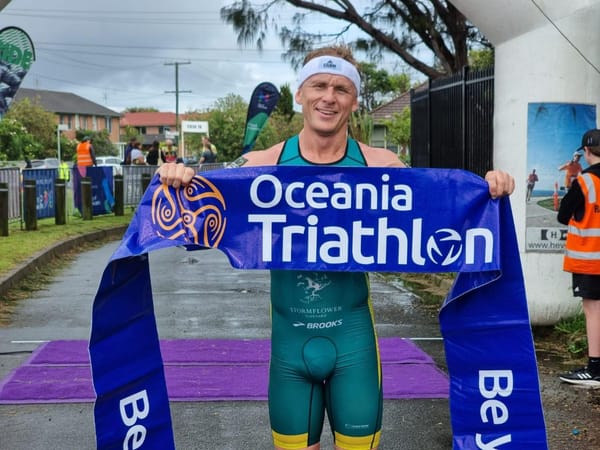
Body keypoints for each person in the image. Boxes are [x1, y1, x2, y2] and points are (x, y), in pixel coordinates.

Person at [157, 45, 515, 450]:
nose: (329, 97)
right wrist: (178, 177)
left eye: (341, 89)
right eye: (320, 85)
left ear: (355, 101)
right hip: (289, 351)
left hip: (354, 347)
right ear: (300, 93)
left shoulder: (381, 166)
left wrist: (486, 189)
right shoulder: (264, 163)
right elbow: (204, 195)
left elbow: (441, 203)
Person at [557, 128, 600, 387]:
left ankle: (595, 368)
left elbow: (563, 216)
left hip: (590, 259)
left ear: (585, 152)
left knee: (593, 309)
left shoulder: (583, 182)